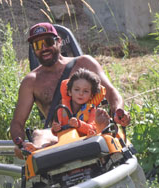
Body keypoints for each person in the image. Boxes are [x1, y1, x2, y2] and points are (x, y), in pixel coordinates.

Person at [10, 22, 130, 158]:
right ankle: (32, 150)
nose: (44, 48)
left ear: (59, 41)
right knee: (39, 134)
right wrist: (19, 143)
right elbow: (17, 122)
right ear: (33, 49)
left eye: (48, 42)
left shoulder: (84, 63)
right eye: (37, 45)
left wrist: (119, 112)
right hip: (60, 136)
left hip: (92, 128)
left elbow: (112, 93)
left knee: (105, 126)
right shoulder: (31, 81)